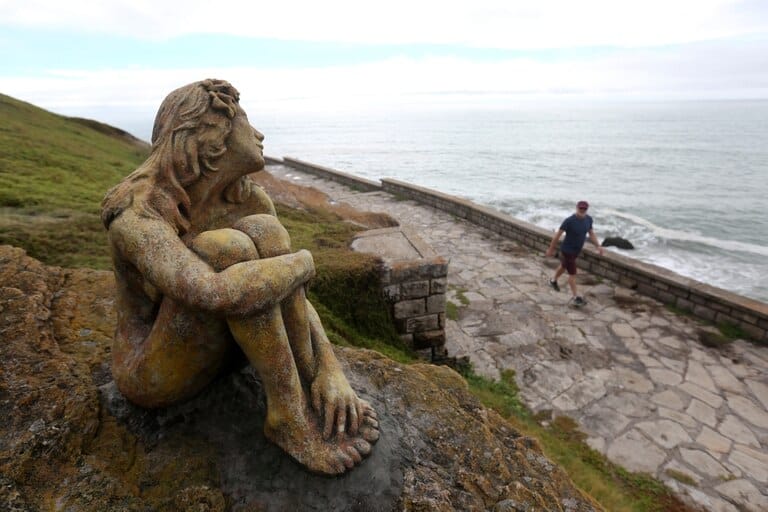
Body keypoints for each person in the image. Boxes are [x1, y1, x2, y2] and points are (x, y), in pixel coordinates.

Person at [101, 79, 378, 475]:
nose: (260, 134)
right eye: (247, 122)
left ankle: (307, 384)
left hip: (227, 349)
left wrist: (330, 371)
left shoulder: (249, 199)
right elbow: (213, 294)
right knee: (226, 250)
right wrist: (303, 262)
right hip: (153, 371)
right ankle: (288, 418)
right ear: (211, 134)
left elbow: (287, 294)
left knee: (266, 233)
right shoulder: (138, 214)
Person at [545, 200, 604, 306]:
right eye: (580, 208)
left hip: (576, 250)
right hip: (567, 250)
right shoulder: (569, 221)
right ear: (576, 208)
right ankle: (576, 297)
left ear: (587, 209)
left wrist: (598, 246)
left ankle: (553, 281)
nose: (582, 210)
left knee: (563, 266)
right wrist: (551, 249)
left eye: (584, 208)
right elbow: (557, 236)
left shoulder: (589, 219)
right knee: (572, 274)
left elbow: (591, 233)